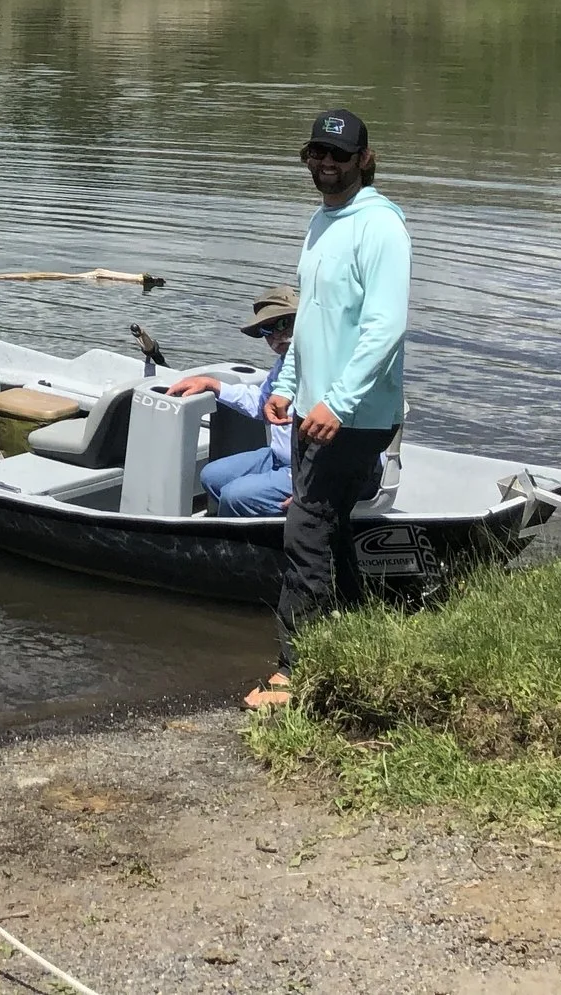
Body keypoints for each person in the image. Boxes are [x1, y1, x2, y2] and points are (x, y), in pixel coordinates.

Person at [252, 109, 409, 711]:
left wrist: (338, 402)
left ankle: (296, 675)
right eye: (316, 153)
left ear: (364, 160)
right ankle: (350, 635)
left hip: (355, 415)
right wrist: (288, 382)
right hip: (315, 411)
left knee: (306, 529)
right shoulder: (322, 221)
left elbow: (384, 326)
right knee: (329, 526)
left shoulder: (381, 226)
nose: (325, 164)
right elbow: (311, 321)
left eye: (338, 155)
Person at [165, 288, 296, 518]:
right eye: (266, 329)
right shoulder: (284, 364)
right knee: (212, 476)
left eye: (284, 323)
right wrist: (213, 385)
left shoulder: (325, 366)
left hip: (316, 472)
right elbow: (261, 403)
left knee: (235, 496)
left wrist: (314, 490)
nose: (276, 335)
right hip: (280, 458)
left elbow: (348, 437)